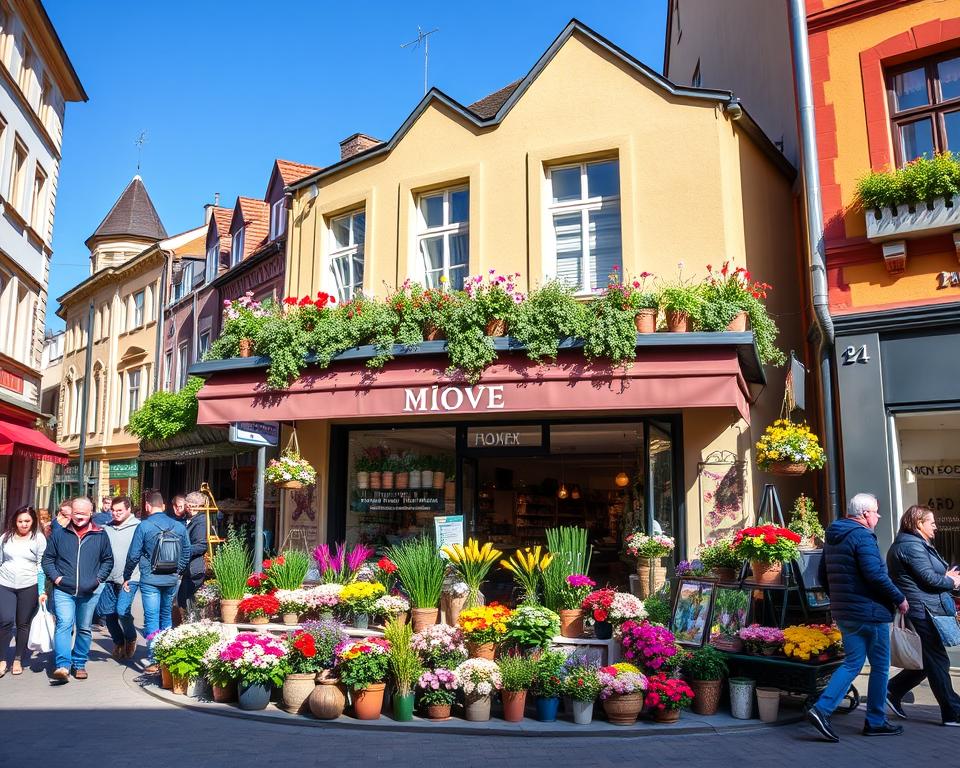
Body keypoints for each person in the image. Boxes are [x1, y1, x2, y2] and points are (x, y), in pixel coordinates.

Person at [806, 493, 908, 742]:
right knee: (881, 667)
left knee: (852, 663)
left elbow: (822, 576)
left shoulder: (833, 537)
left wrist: (840, 599)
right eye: (875, 512)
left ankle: (822, 709)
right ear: (864, 514)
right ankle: (874, 720)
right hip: (870, 612)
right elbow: (875, 574)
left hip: (845, 612)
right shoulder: (862, 536)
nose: (878, 516)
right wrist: (899, 598)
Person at [886, 504, 960, 726]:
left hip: (925, 608)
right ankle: (952, 712)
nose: (936, 527)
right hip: (922, 611)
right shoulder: (911, 546)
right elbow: (928, 578)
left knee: (927, 660)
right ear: (919, 523)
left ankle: (892, 690)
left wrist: (946, 577)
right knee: (937, 660)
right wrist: (950, 580)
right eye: (932, 522)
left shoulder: (916, 544)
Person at [41, 497, 113, 682]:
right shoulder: (59, 534)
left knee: (84, 628)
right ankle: (63, 665)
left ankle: (79, 663)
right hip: (64, 589)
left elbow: (108, 560)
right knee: (64, 624)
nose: (79, 517)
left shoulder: (100, 535)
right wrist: (57, 578)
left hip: (90, 591)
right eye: (76, 513)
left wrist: (98, 580)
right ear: (70, 513)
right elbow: (48, 560)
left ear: (91, 513)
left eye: (83, 513)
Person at [124, 491, 189, 673]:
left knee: (152, 618)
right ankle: (166, 657)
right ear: (164, 506)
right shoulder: (179, 526)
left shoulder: (144, 526)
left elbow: (133, 555)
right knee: (166, 616)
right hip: (170, 579)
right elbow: (187, 551)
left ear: (147, 506)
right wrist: (178, 570)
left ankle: (154, 659)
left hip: (150, 578)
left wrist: (127, 575)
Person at [0, 507, 47, 677]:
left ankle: (18, 659)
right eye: (20, 521)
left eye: (27, 521)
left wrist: (42, 590)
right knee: (5, 620)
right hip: (5, 584)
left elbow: (41, 565)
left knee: (23, 623)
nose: (23, 524)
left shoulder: (38, 539)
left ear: (33, 521)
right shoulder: (6, 538)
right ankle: (2, 659)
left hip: (29, 585)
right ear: (15, 521)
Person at [100, 496, 140, 661]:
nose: (115, 514)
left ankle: (130, 638)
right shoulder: (106, 528)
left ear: (129, 509)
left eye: (119, 511)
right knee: (108, 613)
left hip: (131, 577)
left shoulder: (138, 527)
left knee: (122, 611)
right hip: (109, 576)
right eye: (113, 511)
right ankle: (118, 641)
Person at [177, 491, 209, 621]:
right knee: (184, 600)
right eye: (187, 505)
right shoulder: (188, 520)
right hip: (188, 569)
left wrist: (181, 550)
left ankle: (190, 626)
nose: (188, 508)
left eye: (191, 505)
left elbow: (201, 545)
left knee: (187, 601)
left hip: (194, 568)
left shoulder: (200, 521)